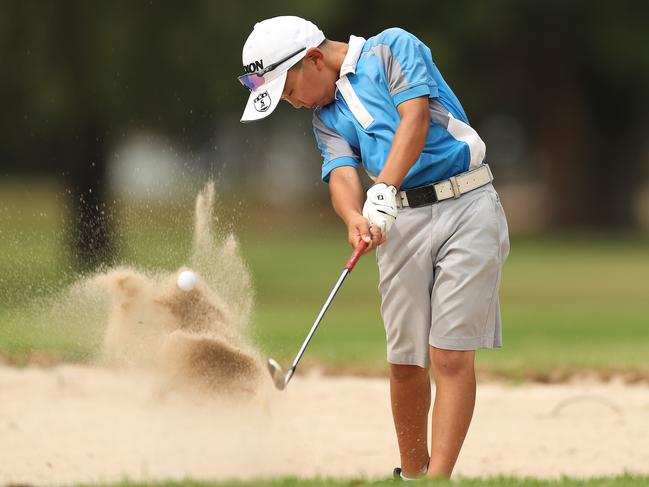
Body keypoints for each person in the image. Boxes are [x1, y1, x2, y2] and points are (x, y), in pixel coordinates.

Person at [238, 16, 509, 480]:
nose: (291, 102)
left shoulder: (393, 48)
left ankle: (438, 478)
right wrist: (354, 216)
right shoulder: (325, 117)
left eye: (287, 90)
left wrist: (382, 187)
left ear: (314, 59)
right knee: (406, 361)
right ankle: (411, 474)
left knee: (449, 354)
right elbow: (341, 172)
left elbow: (415, 118)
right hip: (398, 220)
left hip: (466, 205)